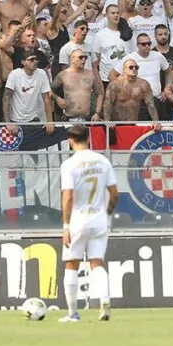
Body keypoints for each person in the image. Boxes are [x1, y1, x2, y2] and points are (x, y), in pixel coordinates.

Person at [58, 124, 118, 323]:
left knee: (72, 263)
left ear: (70, 140)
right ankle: (105, 301)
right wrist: (107, 212)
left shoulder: (69, 165)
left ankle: (73, 313)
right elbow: (114, 193)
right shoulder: (102, 160)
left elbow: (68, 196)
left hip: (78, 219)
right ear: (89, 139)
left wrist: (66, 226)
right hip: (100, 219)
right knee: (97, 262)